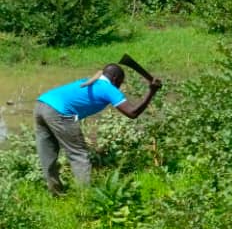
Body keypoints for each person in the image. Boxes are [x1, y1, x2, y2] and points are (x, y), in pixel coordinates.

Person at [35, 64, 161, 195]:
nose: (119, 86)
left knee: (47, 153)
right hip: (60, 111)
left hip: (41, 104)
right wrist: (151, 92)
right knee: (78, 154)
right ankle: (85, 196)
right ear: (115, 78)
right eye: (120, 82)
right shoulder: (108, 88)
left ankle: (55, 193)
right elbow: (132, 113)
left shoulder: (89, 81)